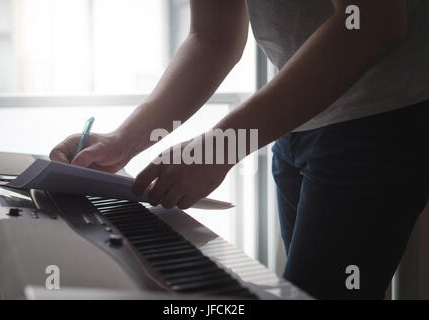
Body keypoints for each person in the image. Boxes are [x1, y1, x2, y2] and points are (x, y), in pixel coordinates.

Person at [50, 0, 429, 299]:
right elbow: (212, 38)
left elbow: (370, 22)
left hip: (381, 118)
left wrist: (220, 146)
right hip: (296, 119)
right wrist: (123, 140)